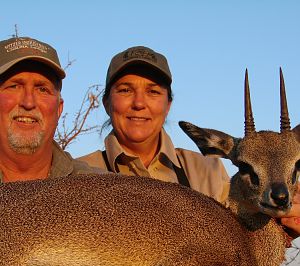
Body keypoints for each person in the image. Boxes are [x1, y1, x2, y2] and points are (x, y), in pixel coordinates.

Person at [78, 45, 230, 204]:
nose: (138, 103)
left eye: (153, 92)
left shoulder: (207, 172)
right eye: (125, 90)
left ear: (168, 106)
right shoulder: (79, 174)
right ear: (106, 103)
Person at [0, 36, 101, 183]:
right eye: (14, 86)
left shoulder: (100, 187)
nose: (28, 102)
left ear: (59, 109)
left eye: (42, 89)